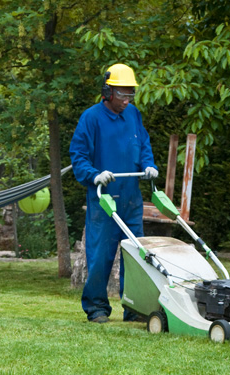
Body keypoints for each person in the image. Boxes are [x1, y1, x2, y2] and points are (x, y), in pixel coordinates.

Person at [70, 63, 158, 323]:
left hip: (131, 200)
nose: (127, 100)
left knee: (135, 257)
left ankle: (134, 308)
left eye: (131, 94)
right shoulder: (91, 118)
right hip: (104, 200)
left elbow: (143, 144)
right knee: (100, 256)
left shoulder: (133, 115)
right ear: (107, 92)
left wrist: (148, 165)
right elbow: (78, 155)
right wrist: (94, 174)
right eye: (122, 94)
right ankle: (96, 307)